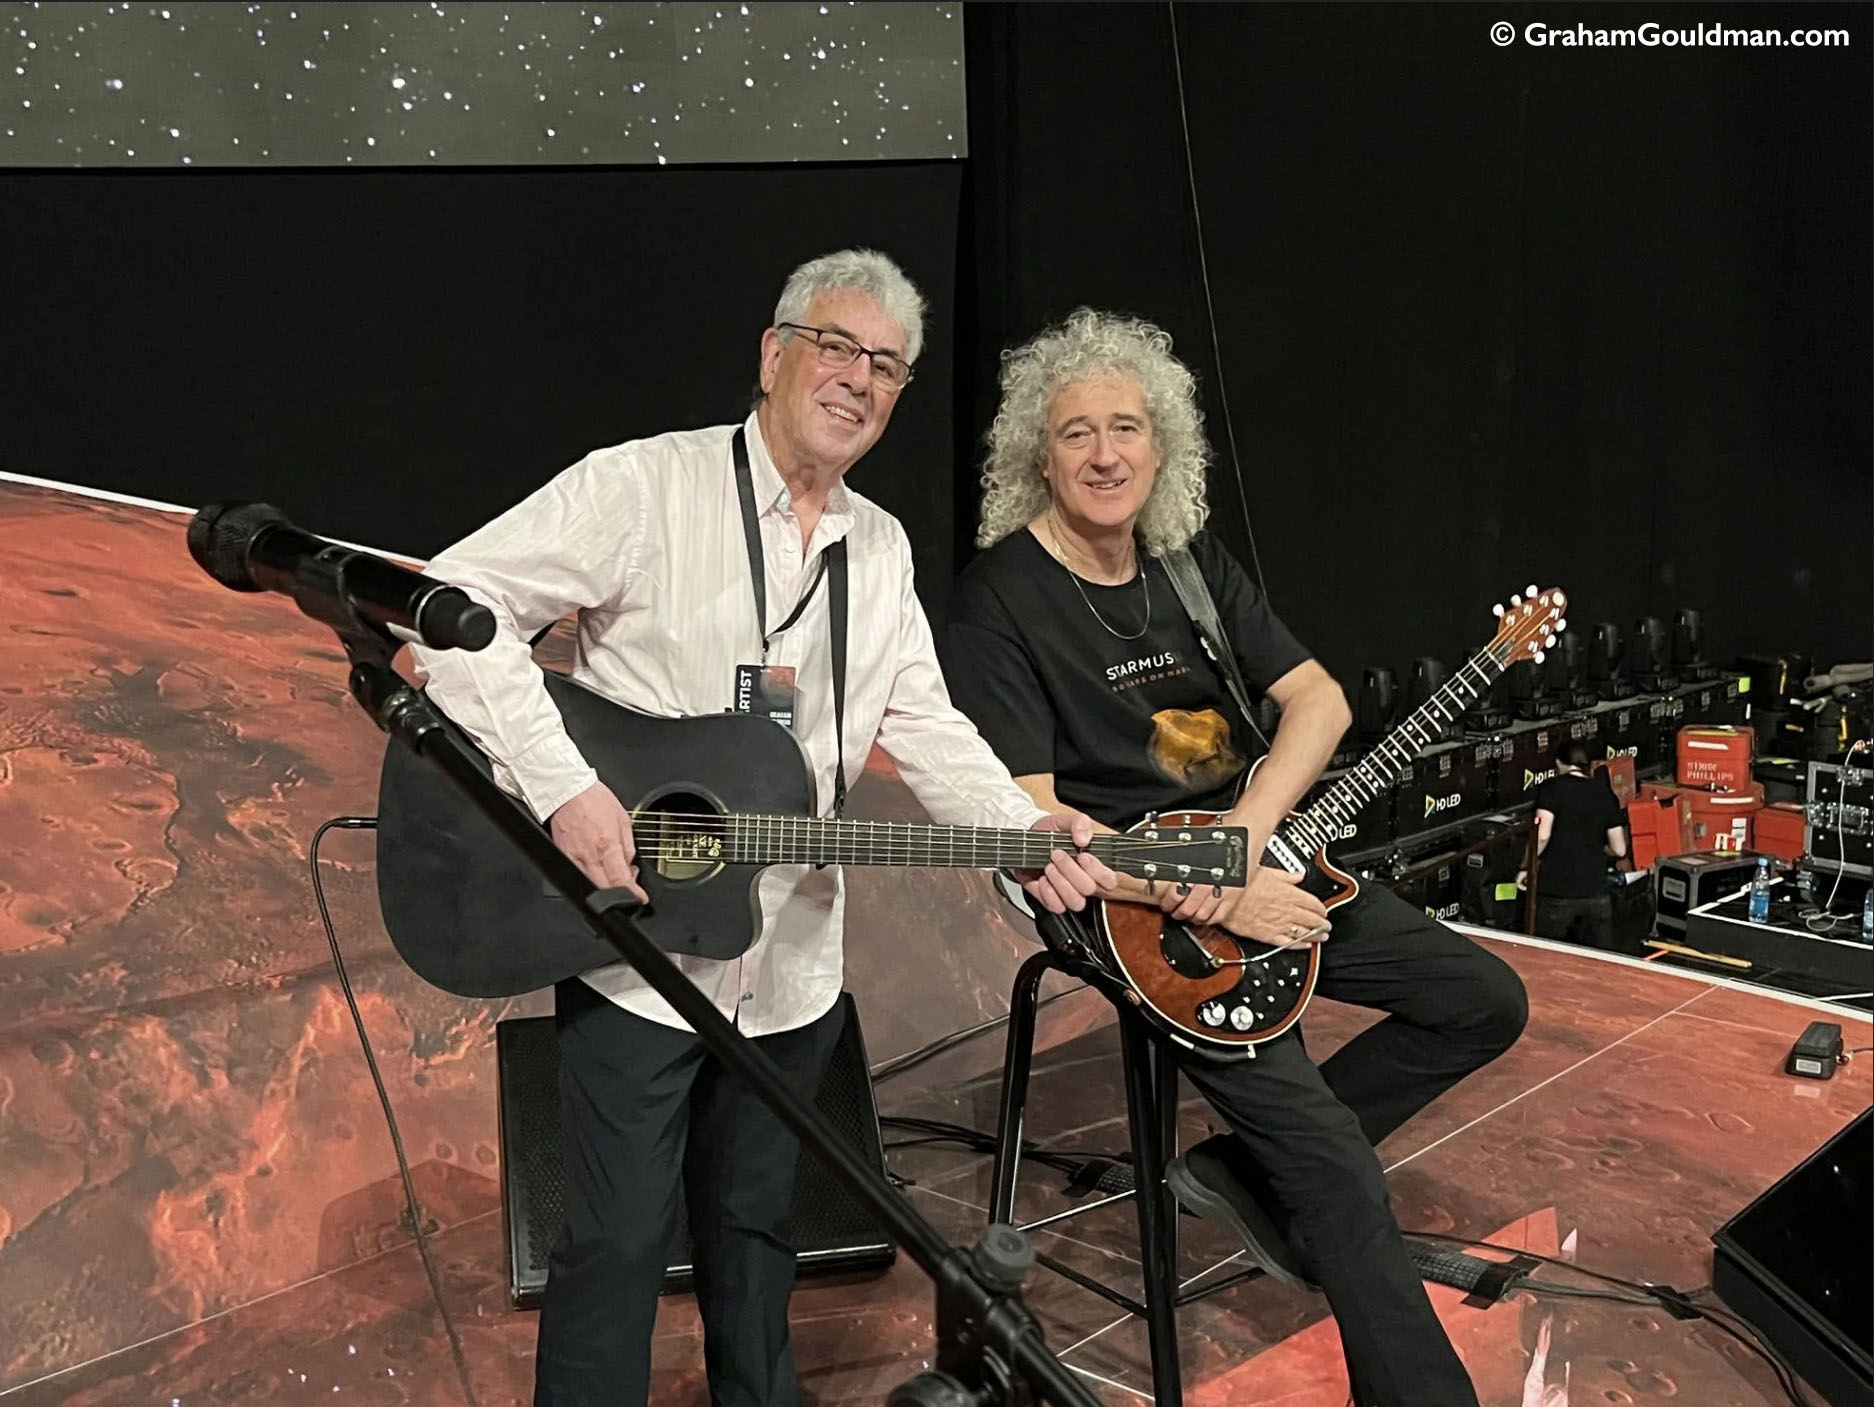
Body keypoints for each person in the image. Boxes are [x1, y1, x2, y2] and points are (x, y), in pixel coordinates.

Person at [409, 250, 1115, 1407]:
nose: (857, 380)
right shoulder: (643, 488)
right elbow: (451, 610)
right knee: (616, 1251)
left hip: (789, 970)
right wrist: (564, 789)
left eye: (885, 367)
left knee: (754, 1239)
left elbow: (923, 722)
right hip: (636, 954)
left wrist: (1019, 830)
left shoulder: (877, 549)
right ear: (773, 353)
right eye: (836, 347)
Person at [940, 308, 1529, 1407]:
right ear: (1037, 454)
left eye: (1125, 429)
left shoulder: (1187, 565)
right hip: (1116, 900)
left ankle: (1248, 1175)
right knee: (1341, 1172)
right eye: (1076, 434)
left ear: (1162, 448)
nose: (1105, 455)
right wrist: (1220, 892)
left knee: (1481, 999)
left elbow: (1316, 700)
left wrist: (1244, 847)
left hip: (1243, 864)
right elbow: (1036, 824)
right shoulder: (996, 604)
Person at [1525, 739, 1629, 948]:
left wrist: (1525, 866)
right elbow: (1619, 849)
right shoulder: (1604, 794)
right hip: (1596, 892)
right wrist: (1599, 849)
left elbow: (1542, 836)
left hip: (1557, 892)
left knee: (1547, 957)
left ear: (1559, 763)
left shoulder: (1551, 789)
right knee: (1599, 963)